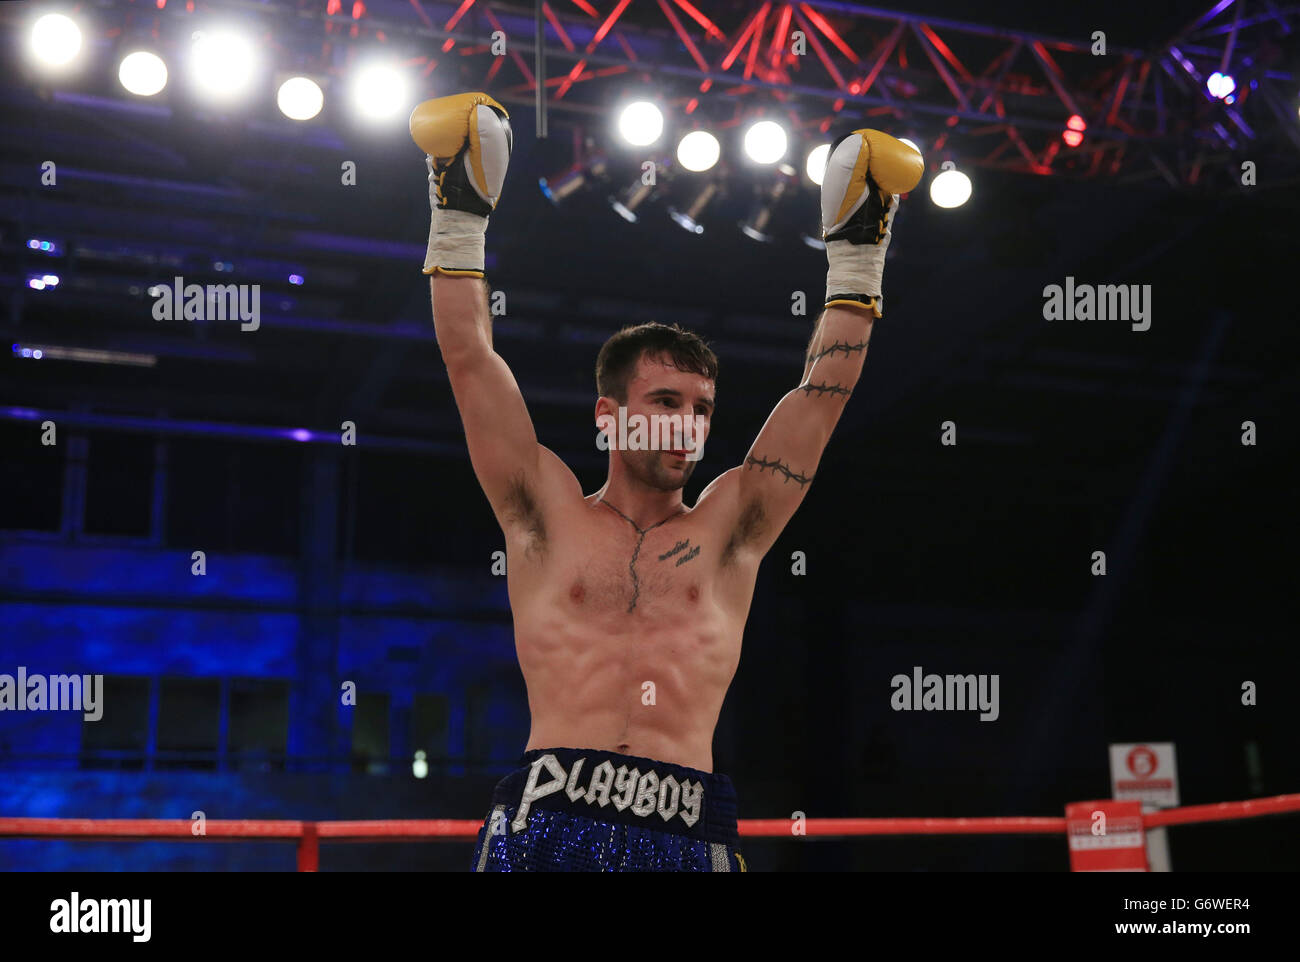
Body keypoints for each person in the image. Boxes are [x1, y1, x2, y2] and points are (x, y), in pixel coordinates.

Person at [409, 92, 923, 871]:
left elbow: (824, 396)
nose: (688, 422)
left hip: (685, 829)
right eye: (665, 401)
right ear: (609, 416)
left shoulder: (732, 528)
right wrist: (459, 216)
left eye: (702, 407)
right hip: (546, 823)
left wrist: (857, 257)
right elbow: (469, 358)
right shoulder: (542, 512)